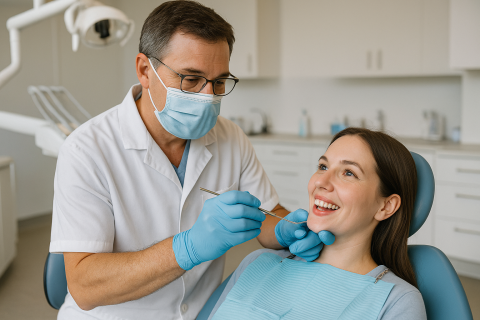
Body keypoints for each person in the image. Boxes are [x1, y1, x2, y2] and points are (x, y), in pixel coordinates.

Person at [49, 1, 330, 319]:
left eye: (219, 82)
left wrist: (284, 230)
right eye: (191, 79)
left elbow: (264, 212)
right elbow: (85, 287)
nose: (207, 96)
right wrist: (188, 248)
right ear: (145, 70)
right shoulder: (87, 149)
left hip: (203, 311)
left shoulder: (230, 137)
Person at [207, 128, 428, 320]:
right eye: (322, 167)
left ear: (386, 206)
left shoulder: (397, 301)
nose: (320, 182)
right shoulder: (257, 262)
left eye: (348, 173)